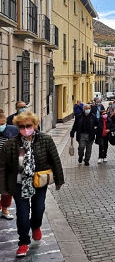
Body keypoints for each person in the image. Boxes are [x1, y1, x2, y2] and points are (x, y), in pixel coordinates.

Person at [0, 111, 64, 257]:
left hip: (39, 182)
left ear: (35, 125)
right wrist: (3, 188)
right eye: (21, 126)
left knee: (38, 209)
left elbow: (55, 161)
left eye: (28, 125)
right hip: (18, 184)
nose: (25, 128)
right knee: (22, 215)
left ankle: (36, 226)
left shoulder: (45, 140)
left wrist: (59, 180)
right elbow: (2, 166)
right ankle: (23, 242)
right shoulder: (11, 143)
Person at [0, 109, 19, 220]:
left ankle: (5, 210)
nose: (1, 126)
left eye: (2, 124)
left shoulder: (13, 131)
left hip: (7, 166)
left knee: (7, 189)